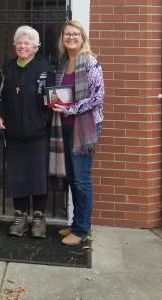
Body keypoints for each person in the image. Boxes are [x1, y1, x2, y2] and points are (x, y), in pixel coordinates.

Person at [0, 26, 54, 238]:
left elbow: (53, 100)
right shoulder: (6, 69)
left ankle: (38, 218)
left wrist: (43, 122)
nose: (22, 46)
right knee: (17, 176)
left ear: (36, 47)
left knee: (37, 176)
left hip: (38, 133)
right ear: (14, 46)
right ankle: (20, 217)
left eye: (27, 43)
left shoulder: (46, 69)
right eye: (19, 42)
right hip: (14, 134)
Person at [49, 20, 105, 246]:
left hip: (85, 127)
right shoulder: (64, 63)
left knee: (81, 179)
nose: (70, 37)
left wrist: (70, 109)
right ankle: (76, 223)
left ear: (82, 38)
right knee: (72, 177)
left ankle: (81, 230)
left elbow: (98, 97)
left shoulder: (90, 62)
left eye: (75, 34)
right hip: (67, 125)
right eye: (66, 34)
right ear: (62, 39)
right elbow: (61, 93)